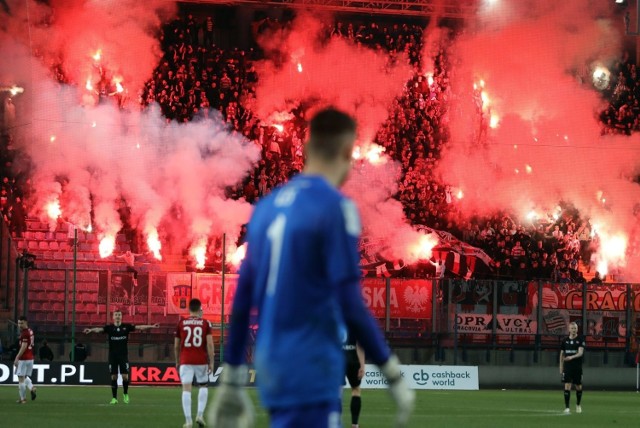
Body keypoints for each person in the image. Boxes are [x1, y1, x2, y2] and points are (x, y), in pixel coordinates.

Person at [208, 108, 414, 427]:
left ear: (306, 149)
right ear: (348, 153)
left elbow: (242, 299)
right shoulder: (335, 207)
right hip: (312, 361)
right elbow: (350, 302)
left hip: (272, 363)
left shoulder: (265, 208)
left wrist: (233, 374)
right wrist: (390, 370)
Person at [84, 310, 159, 404]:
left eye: (119, 315)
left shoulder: (126, 327)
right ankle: (114, 398)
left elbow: (139, 327)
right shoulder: (109, 328)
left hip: (123, 356)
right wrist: (90, 330)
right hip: (113, 356)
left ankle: (125, 394)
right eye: (116, 315)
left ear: (121, 317)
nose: (118, 316)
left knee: (125, 377)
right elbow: (99, 329)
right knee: (113, 377)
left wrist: (151, 326)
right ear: (113, 317)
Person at [175, 298, 215, 428]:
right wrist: (212, 362)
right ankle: (200, 414)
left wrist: (177, 361)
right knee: (203, 386)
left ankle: (188, 421)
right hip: (201, 360)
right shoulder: (205, 324)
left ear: (189, 308)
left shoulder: (181, 323)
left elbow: (176, 346)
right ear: (199, 309)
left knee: (186, 389)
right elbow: (209, 344)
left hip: (185, 360)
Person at [560, 322, 585, 414]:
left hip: (577, 367)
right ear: (569, 329)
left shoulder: (580, 340)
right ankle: (567, 407)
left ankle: (578, 405)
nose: (574, 330)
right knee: (567, 385)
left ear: (577, 329)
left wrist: (571, 357)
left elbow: (580, 353)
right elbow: (562, 354)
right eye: (572, 328)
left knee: (578, 386)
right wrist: (561, 366)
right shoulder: (564, 341)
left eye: (575, 328)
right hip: (567, 367)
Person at [343, 329, 365, 428]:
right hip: (353, 359)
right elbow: (359, 344)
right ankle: (354, 425)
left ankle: (334, 423)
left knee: (337, 392)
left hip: (338, 358)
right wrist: (362, 365)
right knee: (356, 390)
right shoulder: (353, 319)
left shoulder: (334, 317)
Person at [14, 316, 37, 403]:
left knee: (21, 379)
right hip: (30, 358)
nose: (20, 325)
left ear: (26, 322)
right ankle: (32, 388)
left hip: (23, 359)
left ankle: (23, 399)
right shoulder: (30, 331)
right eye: (19, 323)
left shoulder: (24, 333)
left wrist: (17, 357)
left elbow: (23, 346)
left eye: (21, 323)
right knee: (24, 377)